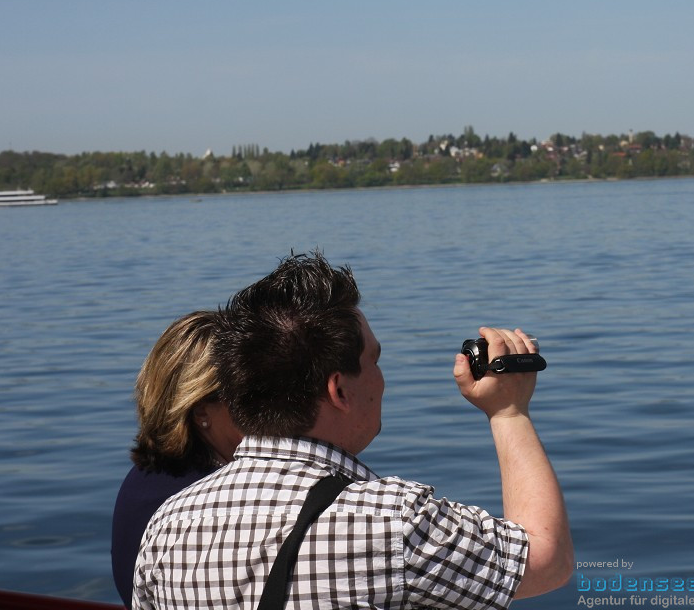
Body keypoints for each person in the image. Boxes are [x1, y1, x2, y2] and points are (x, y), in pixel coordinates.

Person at [133, 253, 573, 609]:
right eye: (374, 361)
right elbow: (547, 559)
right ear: (339, 389)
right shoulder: (393, 523)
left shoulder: (169, 524)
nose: (382, 379)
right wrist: (509, 413)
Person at [111, 311, 243, 608]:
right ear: (201, 412)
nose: (263, 408)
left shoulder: (142, 479)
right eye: (247, 396)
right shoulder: (209, 501)